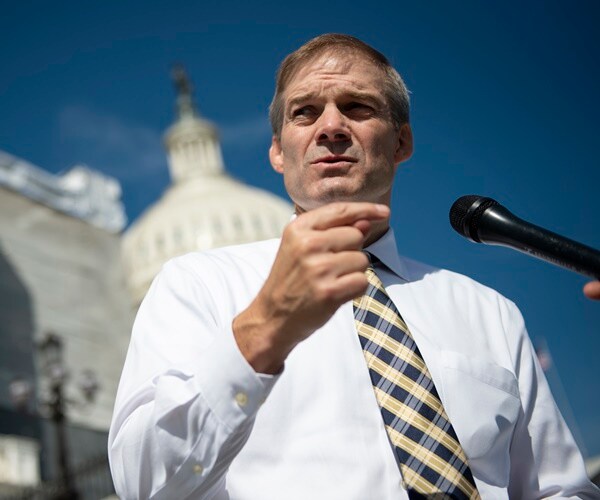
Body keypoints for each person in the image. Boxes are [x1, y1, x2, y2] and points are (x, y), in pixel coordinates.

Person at [108, 34, 599, 499]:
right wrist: (265, 331)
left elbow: (559, 489)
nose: (331, 127)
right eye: (304, 113)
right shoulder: (198, 285)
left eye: (357, 107)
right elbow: (144, 483)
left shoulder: (489, 312)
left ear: (401, 142)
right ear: (278, 151)